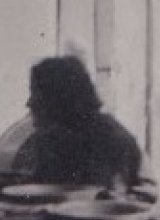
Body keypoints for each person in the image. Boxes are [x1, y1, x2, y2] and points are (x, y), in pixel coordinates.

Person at [11, 55, 144, 191]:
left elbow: (100, 199)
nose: (29, 103)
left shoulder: (108, 141)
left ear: (60, 99)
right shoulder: (49, 140)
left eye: (36, 94)